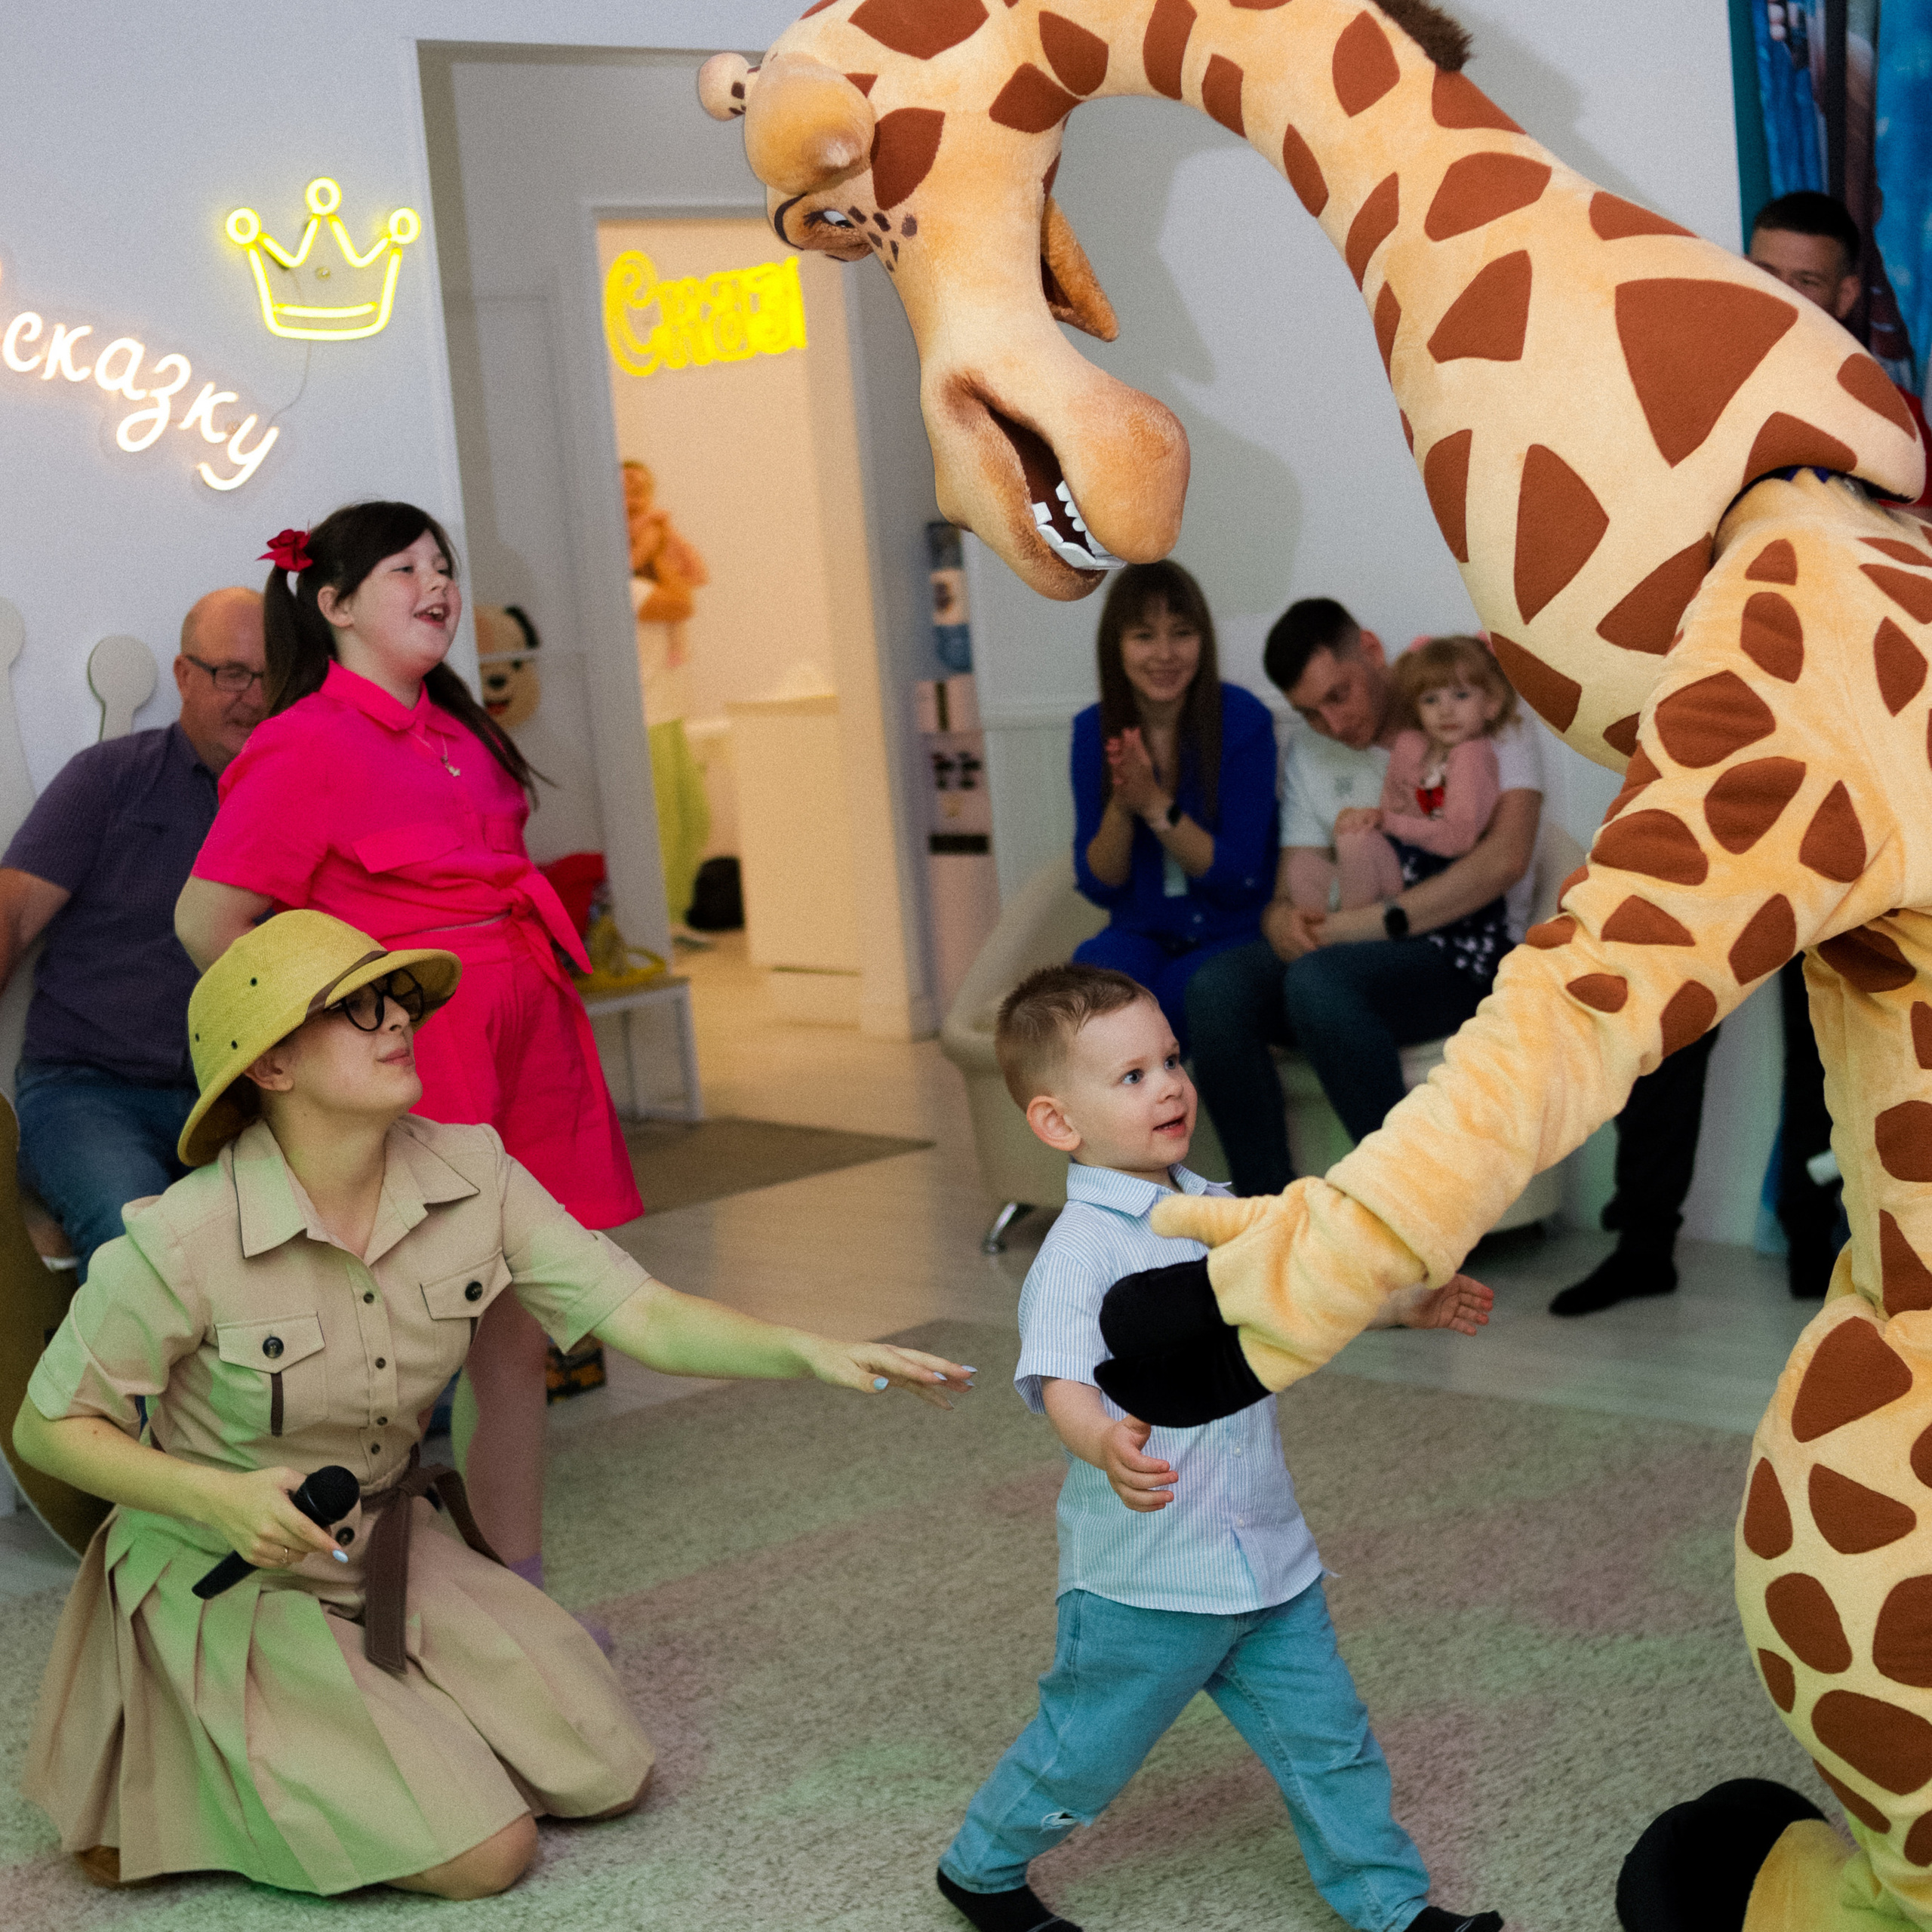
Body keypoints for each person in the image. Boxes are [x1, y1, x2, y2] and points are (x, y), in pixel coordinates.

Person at [13, 910, 971, 1897]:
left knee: (601, 1768)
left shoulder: (475, 1172)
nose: (397, 1019)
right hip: (232, 1578)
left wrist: (807, 1349)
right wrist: (218, 1499)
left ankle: (380, 1724)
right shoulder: (181, 1238)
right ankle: (176, 1780)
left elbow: (641, 1312)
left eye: (397, 999)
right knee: (486, 1854)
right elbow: (46, 1428)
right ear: (272, 1065)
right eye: (355, 1008)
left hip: (383, 1543)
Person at [934, 963, 1497, 1932]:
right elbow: (1063, 1384)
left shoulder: (1223, 1211)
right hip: (1146, 1583)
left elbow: (1299, 1299)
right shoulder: (1078, 1254)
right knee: (1082, 1754)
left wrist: (1399, 1306)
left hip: (1268, 1560)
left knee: (1331, 1745)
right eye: (1131, 1076)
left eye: (1171, 1060)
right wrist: (1103, 1441)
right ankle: (980, 1869)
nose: (1168, 1087)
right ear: (1057, 1122)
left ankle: (1392, 1908)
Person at [174, 503, 637, 1590]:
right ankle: (346, 1593)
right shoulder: (303, 744)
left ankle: (514, 1590)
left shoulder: (463, 731)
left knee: (519, 1332)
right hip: (424, 1057)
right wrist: (312, 1056)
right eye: (405, 569)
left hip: (530, 1037)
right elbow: (207, 922)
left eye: (444, 566)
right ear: (334, 605)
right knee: (396, 1350)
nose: (438, 585)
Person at [1552, 192, 1887, 1317]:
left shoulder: (1886, 427)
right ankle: (1642, 1239)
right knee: (1667, 1002)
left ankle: (1816, 1231)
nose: (1780, 297)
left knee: (1826, 1020)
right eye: (1764, 272)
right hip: (1709, 751)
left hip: (1837, 760)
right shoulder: (1700, 411)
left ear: (1848, 293)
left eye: (1807, 281)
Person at [1186, 600, 1543, 1198]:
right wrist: (1282, 920)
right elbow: (1294, 882)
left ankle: (1411, 1208)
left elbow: (1505, 859)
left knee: (1320, 982)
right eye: (1310, 712)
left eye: (1339, 695)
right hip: (1345, 943)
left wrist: (1370, 924)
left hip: (1459, 954)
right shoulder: (1310, 750)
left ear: (1372, 652)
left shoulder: (1474, 706)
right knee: (1216, 988)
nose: (1331, 723)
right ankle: (1268, 1210)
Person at [0, 586, 265, 1275]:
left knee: (292, 1244)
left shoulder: (290, 796)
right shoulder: (109, 779)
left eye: (272, 676)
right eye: (233, 673)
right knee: (141, 1245)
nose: (255, 697)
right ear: (184, 675)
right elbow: (12, 914)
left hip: (241, 1098)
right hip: (89, 1092)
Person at [1069, 561, 1276, 1055]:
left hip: (1232, 933)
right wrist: (1124, 806)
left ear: (1203, 641)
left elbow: (1238, 872)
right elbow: (1099, 882)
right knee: (1090, 988)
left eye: (1182, 633)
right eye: (1144, 636)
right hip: (1140, 933)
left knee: (1182, 997)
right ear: (1116, 646)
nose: (1165, 654)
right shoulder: (1092, 731)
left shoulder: (1244, 721)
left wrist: (1157, 806)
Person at [1334, 638, 1516, 936]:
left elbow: (1459, 838)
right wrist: (1366, 820)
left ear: (1491, 704)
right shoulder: (1412, 745)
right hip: (1413, 868)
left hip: (1453, 896)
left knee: (1359, 841)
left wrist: (1386, 821)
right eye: (1431, 700)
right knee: (1354, 835)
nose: (1445, 711)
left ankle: (1352, 931)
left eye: (1461, 695)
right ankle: (1352, 930)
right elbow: (1393, 810)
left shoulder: (1472, 755)